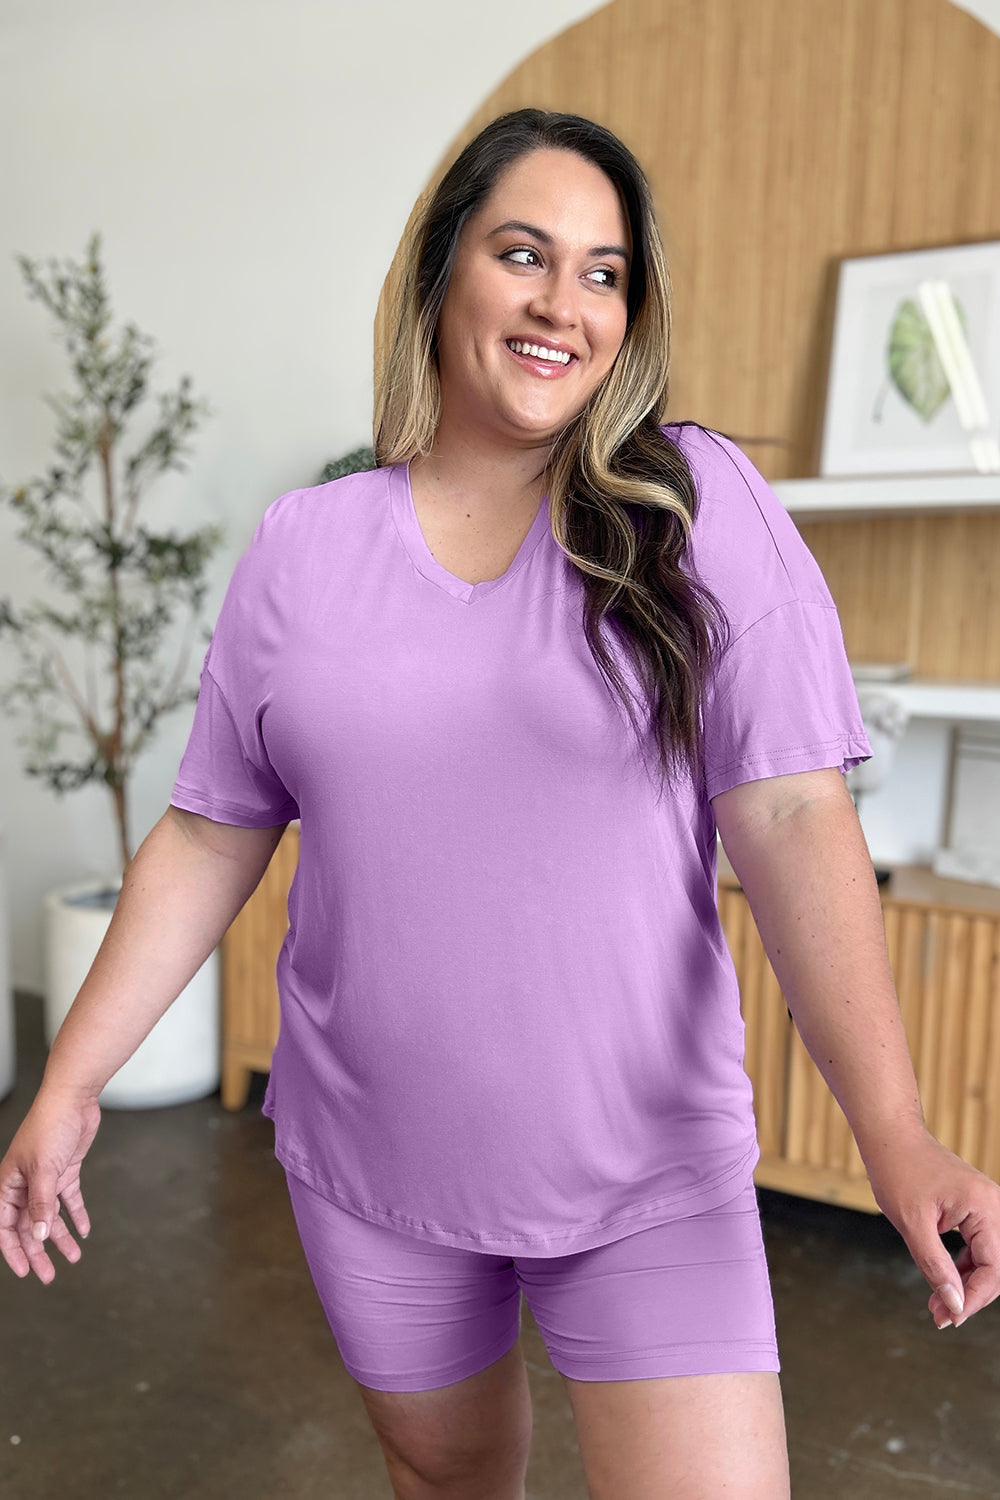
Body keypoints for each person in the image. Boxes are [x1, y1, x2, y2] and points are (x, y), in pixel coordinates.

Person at [2, 106, 998, 1500]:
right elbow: (214, 829)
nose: (560, 303)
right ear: (441, 274)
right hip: (371, 1165)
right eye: (523, 254)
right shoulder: (303, 546)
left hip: (645, 1175)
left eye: (603, 273)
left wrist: (895, 1133)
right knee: (445, 1479)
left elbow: (791, 820)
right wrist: (69, 1079)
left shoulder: (691, 506)